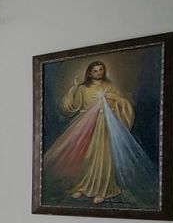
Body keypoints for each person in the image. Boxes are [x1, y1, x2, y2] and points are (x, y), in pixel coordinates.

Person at [44, 60, 137, 204]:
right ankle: (82, 186)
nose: (98, 73)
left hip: (105, 127)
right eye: (95, 70)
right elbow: (70, 107)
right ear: (89, 73)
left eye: (101, 70)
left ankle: (102, 190)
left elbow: (121, 104)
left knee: (103, 157)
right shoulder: (83, 88)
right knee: (85, 156)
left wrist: (116, 99)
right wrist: (74, 89)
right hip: (87, 126)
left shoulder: (109, 86)